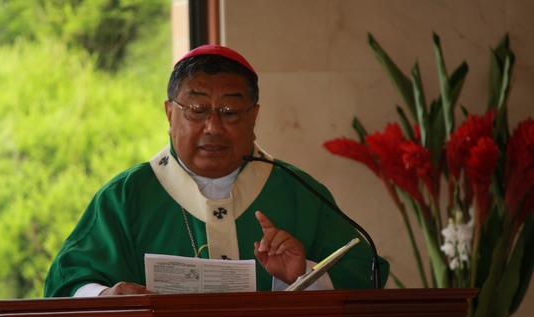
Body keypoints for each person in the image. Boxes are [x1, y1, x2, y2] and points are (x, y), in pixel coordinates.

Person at [44, 45, 388, 297]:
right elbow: (67, 284)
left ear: (253, 116)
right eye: (196, 110)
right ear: (169, 114)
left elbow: (364, 276)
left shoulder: (297, 191)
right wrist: (108, 297)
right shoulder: (126, 197)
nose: (213, 127)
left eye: (230, 111)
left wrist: (302, 275)